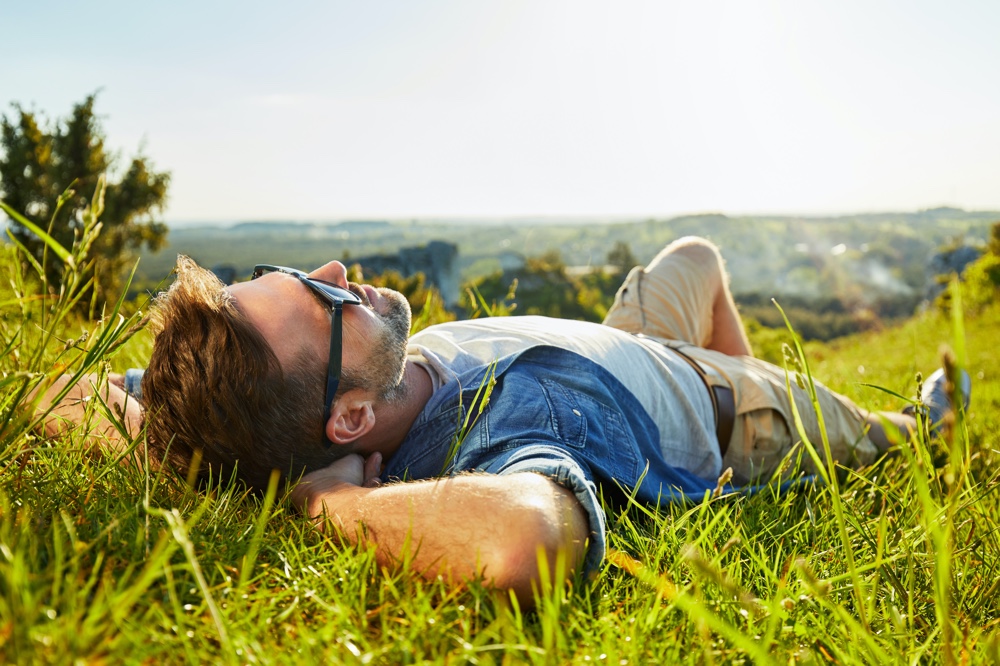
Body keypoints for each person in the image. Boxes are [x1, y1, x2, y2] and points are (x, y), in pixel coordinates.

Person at [37, 237, 969, 603]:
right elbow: (525, 542)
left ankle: (738, 357)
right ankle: (930, 418)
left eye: (293, 273)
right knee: (904, 435)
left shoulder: (289, 388)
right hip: (740, 412)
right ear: (351, 416)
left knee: (695, 257)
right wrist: (322, 509)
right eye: (324, 304)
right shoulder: (492, 431)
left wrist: (191, 454)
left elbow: (56, 394)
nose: (332, 271)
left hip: (621, 339)